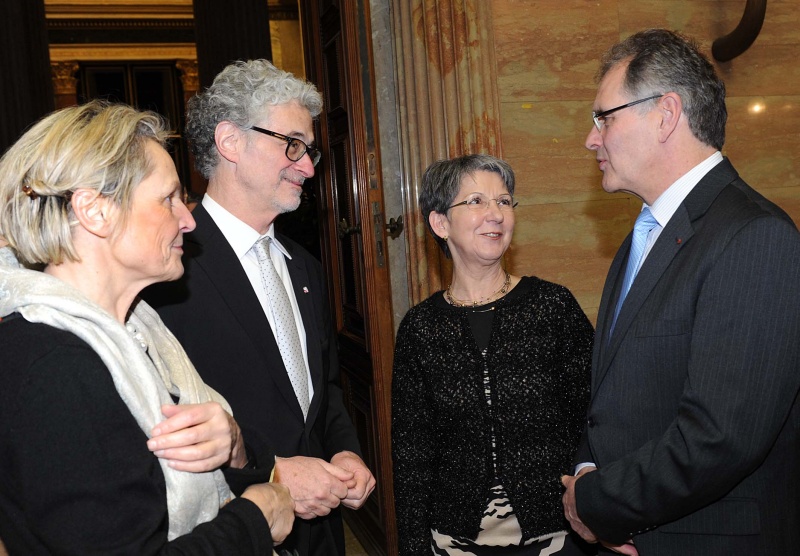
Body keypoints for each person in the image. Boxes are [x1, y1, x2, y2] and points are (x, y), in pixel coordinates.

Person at [0, 100, 295, 554]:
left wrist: (234, 443)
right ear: (95, 211)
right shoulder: (52, 367)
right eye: (169, 198)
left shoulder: (140, 330)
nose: (189, 219)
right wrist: (254, 520)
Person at [561, 29, 800, 556]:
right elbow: (614, 397)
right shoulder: (642, 236)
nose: (591, 139)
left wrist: (598, 503)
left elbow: (720, 436)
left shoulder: (754, 236)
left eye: (605, 117)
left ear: (666, 114)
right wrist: (585, 471)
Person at [143, 59, 375, 556]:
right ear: (230, 142)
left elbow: (324, 390)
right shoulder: (166, 269)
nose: (309, 166)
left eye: (309, 150)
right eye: (292, 144)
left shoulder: (305, 267)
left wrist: (346, 451)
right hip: (232, 530)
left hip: (324, 533)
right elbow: (162, 416)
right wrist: (271, 468)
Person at [392, 154, 596, 555]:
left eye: (504, 202)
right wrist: (413, 545)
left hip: (556, 534)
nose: (496, 215)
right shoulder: (420, 328)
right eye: (476, 202)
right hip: (456, 539)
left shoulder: (551, 306)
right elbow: (412, 452)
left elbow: (594, 416)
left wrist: (597, 506)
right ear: (440, 223)